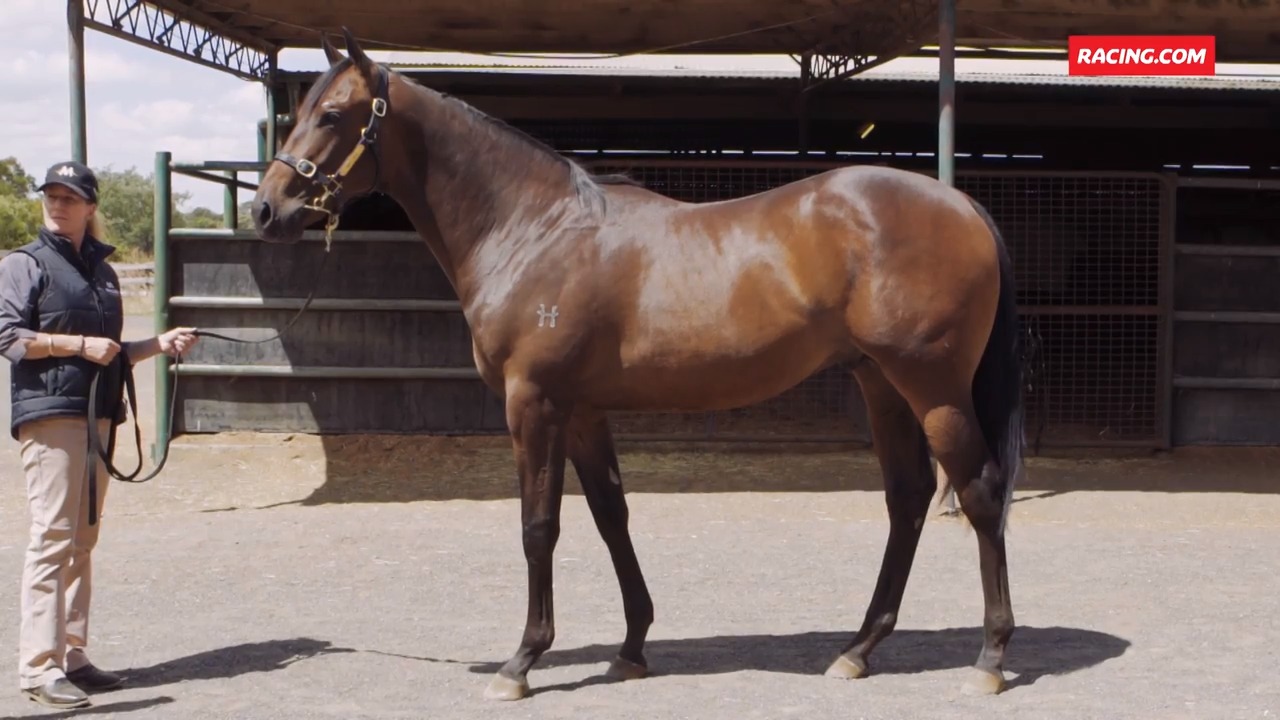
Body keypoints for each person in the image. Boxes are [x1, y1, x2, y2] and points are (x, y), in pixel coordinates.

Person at [0, 161, 198, 709]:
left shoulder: (103, 274)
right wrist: (76, 346)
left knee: (82, 540)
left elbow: (112, 353)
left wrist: (158, 344)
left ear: (90, 206)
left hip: (98, 414)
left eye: (70, 197)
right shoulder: (24, 263)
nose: (57, 205)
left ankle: (72, 655)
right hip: (51, 414)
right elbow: (8, 336)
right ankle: (38, 668)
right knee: (52, 537)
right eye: (52, 196)